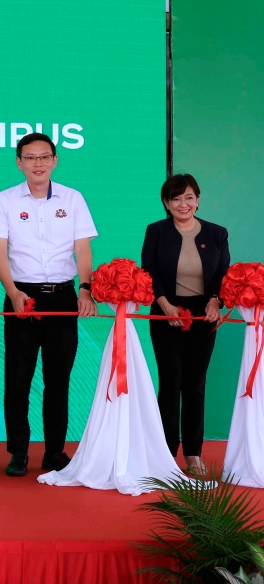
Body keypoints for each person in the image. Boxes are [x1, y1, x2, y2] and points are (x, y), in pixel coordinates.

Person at [0, 132, 97, 477]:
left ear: (55, 160)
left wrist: (86, 289)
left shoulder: (73, 199)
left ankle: (54, 451)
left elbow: (82, 249)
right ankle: (18, 451)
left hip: (63, 297)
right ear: (19, 162)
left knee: (58, 378)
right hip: (22, 298)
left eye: (44, 157)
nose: (38, 163)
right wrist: (13, 291)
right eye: (30, 158)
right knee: (17, 379)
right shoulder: (4, 201)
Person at [141, 173, 229, 476]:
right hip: (166, 311)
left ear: (198, 200)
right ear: (166, 203)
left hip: (204, 314)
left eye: (189, 197)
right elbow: (149, 272)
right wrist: (165, 305)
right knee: (170, 383)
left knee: (195, 386)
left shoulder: (217, 233)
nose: (183, 204)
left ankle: (193, 455)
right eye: (176, 198)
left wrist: (215, 300)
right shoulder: (156, 231)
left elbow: (222, 276)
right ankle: (165, 454)